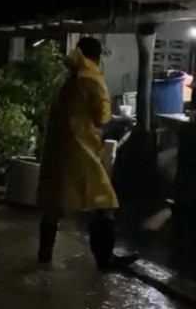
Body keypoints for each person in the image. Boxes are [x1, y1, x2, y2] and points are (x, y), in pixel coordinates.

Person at [36, 36, 139, 270]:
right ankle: (105, 259)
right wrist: (120, 119)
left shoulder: (64, 78)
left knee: (53, 203)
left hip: (56, 150)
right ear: (97, 55)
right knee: (104, 201)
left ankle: (44, 254)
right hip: (81, 151)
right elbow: (100, 117)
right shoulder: (92, 78)